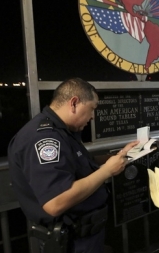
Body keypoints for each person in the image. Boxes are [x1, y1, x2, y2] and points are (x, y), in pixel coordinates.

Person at [8, 78, 138, 253]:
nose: (93, 116)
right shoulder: (44, 139)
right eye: (92, 108)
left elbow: (76, 163)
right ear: (74, 103)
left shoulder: (64, 131)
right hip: (71, 242)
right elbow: (55, 202)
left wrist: (115, 157)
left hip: (86, 234)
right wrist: (107, 171)